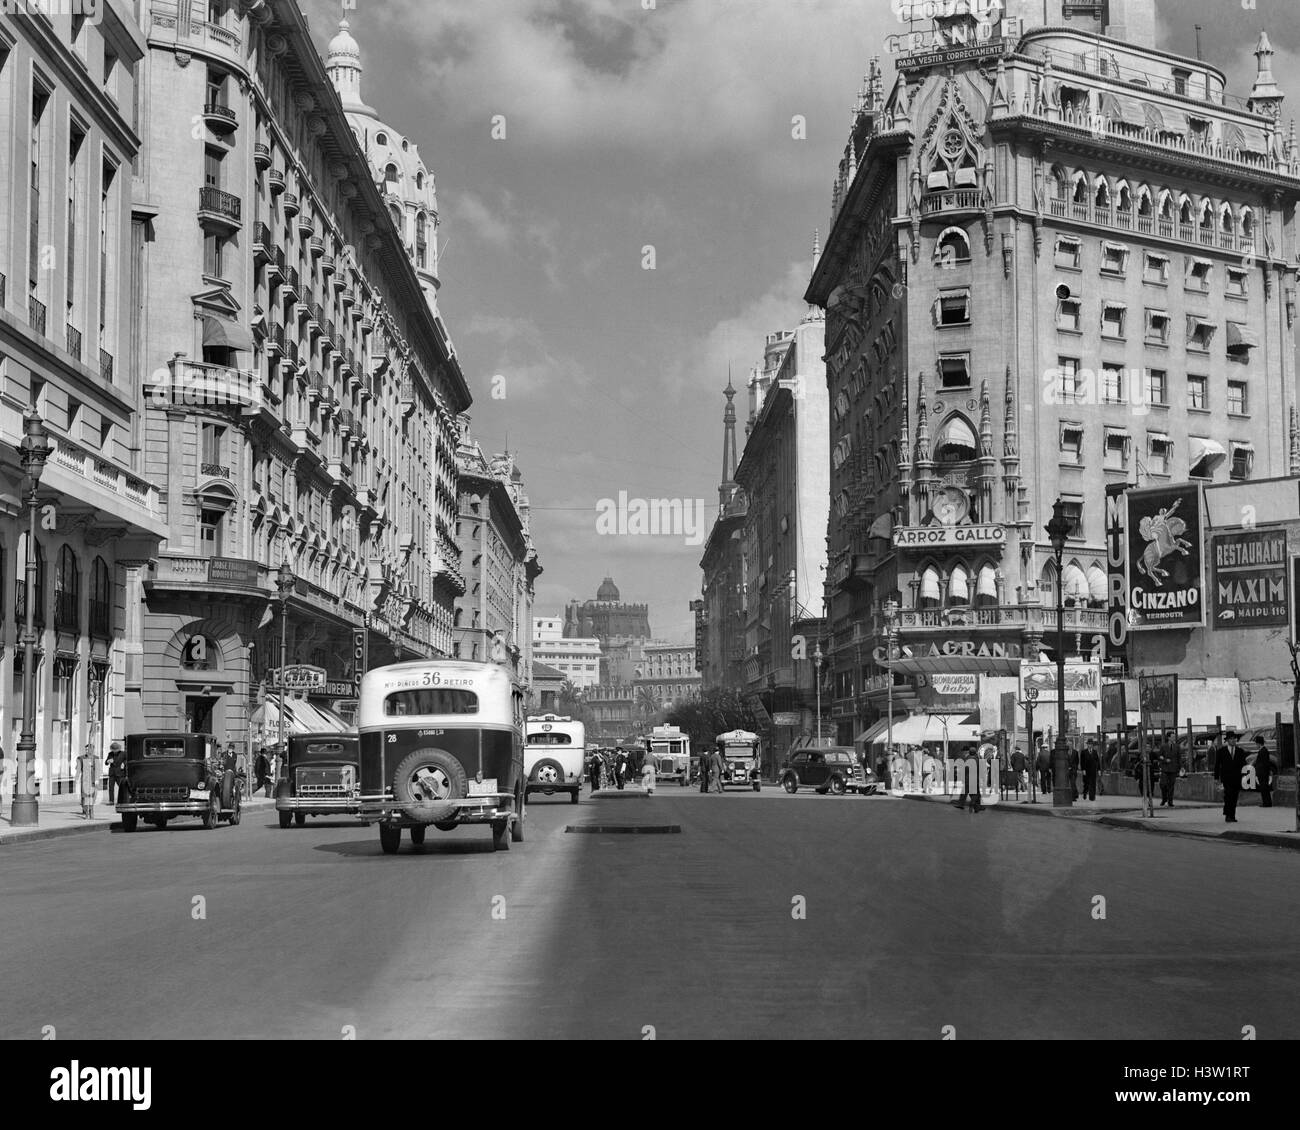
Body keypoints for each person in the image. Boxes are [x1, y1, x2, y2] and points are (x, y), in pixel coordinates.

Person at [1214, 729, 1247, 824]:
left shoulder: (1240, 751)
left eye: (1234, 739)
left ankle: (1232, 815)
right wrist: (1216, 778)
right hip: (1227, 778)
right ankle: (1228, 815)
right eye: (1231, 739)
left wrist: (1245, 777)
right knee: (1228, 796)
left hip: (1237, 778)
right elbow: (1217, 765)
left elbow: (1244, 765)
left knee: (1234, 797)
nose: (1233, 740)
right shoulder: (1221, 751)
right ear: (1227, 740)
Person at [1158, 731, 1179, 808]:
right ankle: (1164, 799)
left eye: (1174, 736)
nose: (1174, 737)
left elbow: (1178, 758)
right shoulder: (1163, 746)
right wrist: (1165, 760)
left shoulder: (1177, 746)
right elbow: (1159, 756)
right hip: (1165, 769)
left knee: (1171, 785)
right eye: (1172, 736)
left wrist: (1180, 768)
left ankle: (1170, 801)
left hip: (1173, 769)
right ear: (1169, 737)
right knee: (1163, 785)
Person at [77, 745, 99, 820]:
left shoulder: (96, 758)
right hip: (85, 780)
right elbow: (78, 768)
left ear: (92, 750)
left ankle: (91, 812)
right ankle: (86, 812)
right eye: (86, 749)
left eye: (88, 749)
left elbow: (98, 769)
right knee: (85, 797)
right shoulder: (81, 758)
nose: (87, 751)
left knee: (91, 797)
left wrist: (97, 779)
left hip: (93, 780)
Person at [1254, 735, 1274, 808]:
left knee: (1264, 788)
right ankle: (1266, 802)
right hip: (1263, 772)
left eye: (1256, 743)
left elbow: (1264, 763)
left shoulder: (1263, 751)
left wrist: (1262, 771)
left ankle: (1266, 803)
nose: (1256, 745)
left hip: (1263, 773)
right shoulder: (1263, 750)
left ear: (1259, 743)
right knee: (1264, 788)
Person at [106, 741, 126, 805]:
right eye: (113, 750)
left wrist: (124, 763)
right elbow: (106, 763)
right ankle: (111, 801)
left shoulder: (123, 753)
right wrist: (108, 761)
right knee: (111, 787)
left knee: (121, 787)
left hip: (120, 773)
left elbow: (127, 760)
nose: (115, 751)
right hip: (112, 773)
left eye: (116, 750)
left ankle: (122, 800)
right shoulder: (110, 754)